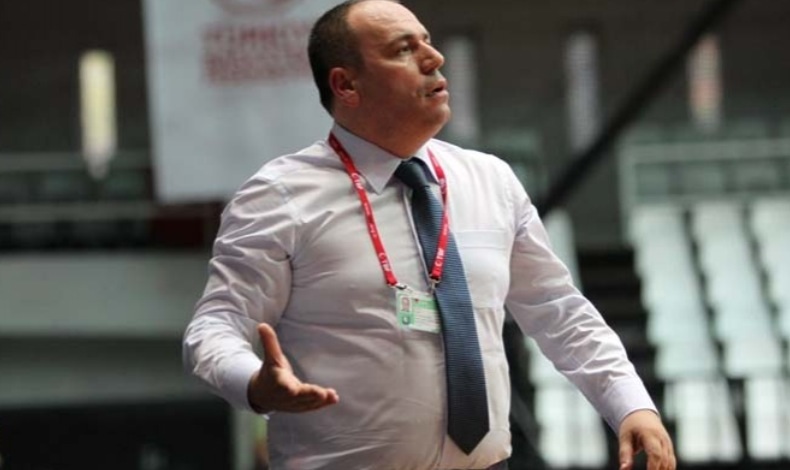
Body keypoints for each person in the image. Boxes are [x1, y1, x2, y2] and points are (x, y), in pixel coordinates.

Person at [183, 1, 677, 469]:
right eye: (403, 49)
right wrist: (254, 385)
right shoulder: (280, 195)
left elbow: (558, 310)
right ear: (346, 84)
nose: (434, 58)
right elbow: (213, 329)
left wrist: (630, 404)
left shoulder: (491, 181)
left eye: (426, 41)